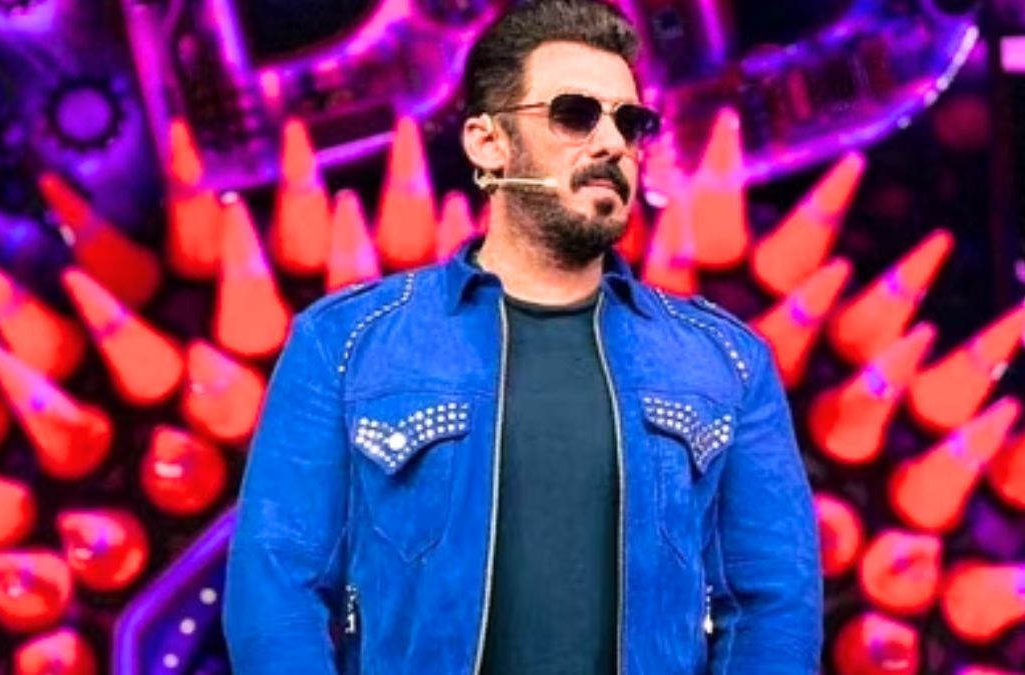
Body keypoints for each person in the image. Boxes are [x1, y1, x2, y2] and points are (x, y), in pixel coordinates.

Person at [224, 0, 823, 672]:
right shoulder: (345, 343)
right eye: (575, 115)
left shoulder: (726, 359)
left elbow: (774, 602)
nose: (612, 143)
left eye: (630, 122)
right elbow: (275, 585)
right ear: (488, 143)